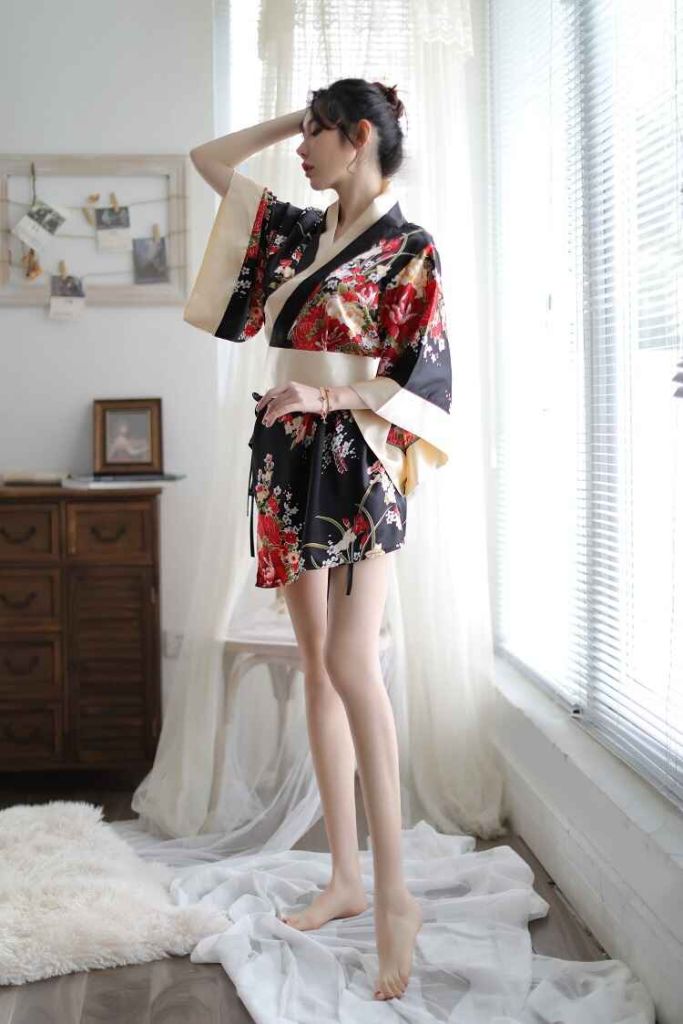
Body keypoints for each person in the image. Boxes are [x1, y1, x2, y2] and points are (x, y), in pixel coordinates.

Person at [184, 77, 452, 1002]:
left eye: (316, 134)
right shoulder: (301, 232)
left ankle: (393, 895)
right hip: (285, 453)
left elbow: (423, 385)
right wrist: (287, 118)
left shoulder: (410, 249)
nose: (301, 149)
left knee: (349, 662)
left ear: (359, 137)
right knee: (315, 663)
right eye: (301, 133)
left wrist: (328, 395)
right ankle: (343, 878)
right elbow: (207, 161)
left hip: (355, 460)